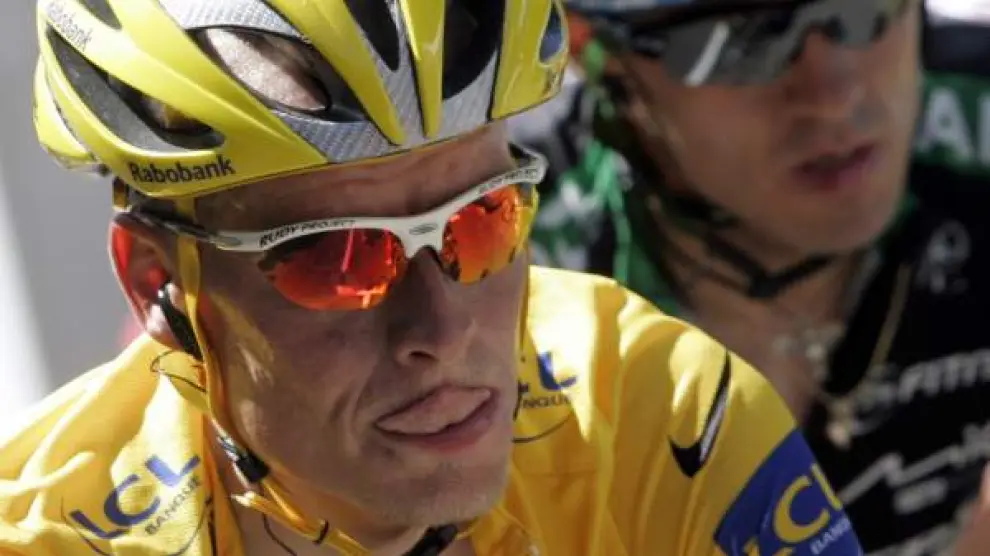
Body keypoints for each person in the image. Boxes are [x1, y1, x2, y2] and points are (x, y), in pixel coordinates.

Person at [0, 1, 862, 555]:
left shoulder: (660, 416)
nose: (442, 332)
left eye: (484, 222)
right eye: (341, 260)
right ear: (158, 285)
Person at [512, 0, 990, 553]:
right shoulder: (510, 235)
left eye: (868, 7)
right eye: (739, 44)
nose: (834, 96)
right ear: (591, 49)